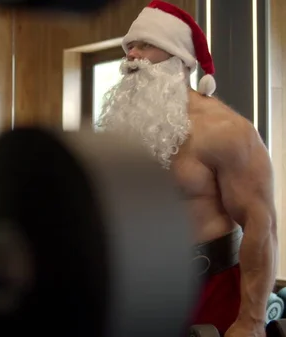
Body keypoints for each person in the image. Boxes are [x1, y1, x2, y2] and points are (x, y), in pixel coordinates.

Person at [95, 1, 278, 336]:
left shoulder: (227, 131)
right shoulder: (124, 130)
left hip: (210, 292)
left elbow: (260, 226)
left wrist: (251, 320)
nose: (132, 55)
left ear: (177, 57)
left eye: (145, 44)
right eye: (129, 46)